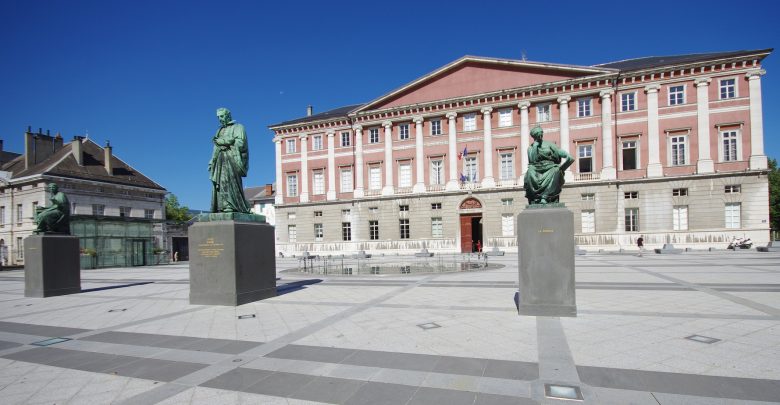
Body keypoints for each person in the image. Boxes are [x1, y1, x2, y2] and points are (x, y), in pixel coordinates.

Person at [209, 107, 251, 213]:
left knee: (229, 181)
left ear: (228, 115)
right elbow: (216, 147)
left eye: (222, 116)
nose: (220, 119)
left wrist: (224, 141)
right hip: (219, 159)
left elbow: (241, 143)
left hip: (232, 158)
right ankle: (221, 206)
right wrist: (211, 161)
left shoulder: (238, 127)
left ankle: (231, 205)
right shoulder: (219, 130)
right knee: (220, 183)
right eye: (218, 117)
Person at [523, 126, 574, 204]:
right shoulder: (530, 148)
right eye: (537, 135)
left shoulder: (549, 144)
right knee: (530, 172)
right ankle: (536, 197)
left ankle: (545, 196)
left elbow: (558, 151)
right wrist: (535, 146)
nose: (540, 136)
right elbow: (532, 161)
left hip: (550, 165)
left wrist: (566, 155)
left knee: (556, 170)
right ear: (534, 137)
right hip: (536, 167)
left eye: (540, 134)